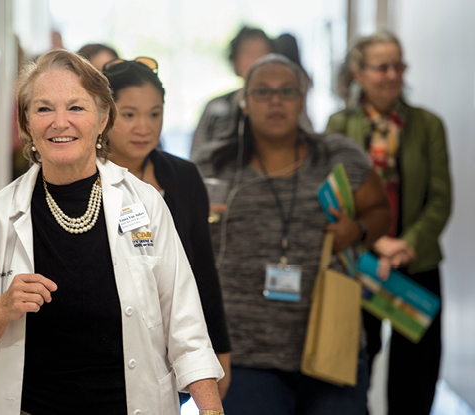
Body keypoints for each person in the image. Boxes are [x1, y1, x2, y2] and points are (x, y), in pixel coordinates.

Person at [0, 50, 225, 415]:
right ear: (26, 123)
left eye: (76, 108)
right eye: (43, 109)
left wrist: (210, 409)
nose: (60, 122)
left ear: (103, 118)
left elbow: (186, 325)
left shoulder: (145, 204)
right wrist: (1, 308)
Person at [197, 53, 392, 414]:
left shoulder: (339, 156)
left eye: (287, 91)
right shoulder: (212, 165)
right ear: (244, 101)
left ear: (303, 98)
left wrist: (359, 231)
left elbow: (380, 211)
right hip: (241, 350)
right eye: (263, 92)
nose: (275, 101)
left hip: (329, 340)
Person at [326, 31, 452, 415]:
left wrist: (405, 244)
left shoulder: (427, 125)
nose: (392, 74)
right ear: (358, 73)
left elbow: (441, 197)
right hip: (358, 261)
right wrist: (375, 242)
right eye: (382, 67)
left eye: (398, 65)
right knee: (352, 366)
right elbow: (333, 196)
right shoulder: (338, 125)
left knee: (416, 373)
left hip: (415, 262)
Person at [101, 57, 232, 400]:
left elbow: (203, 270)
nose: (144, 127)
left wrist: (218, 350)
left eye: (154, 114)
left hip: (173, 350)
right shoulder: (84, 179)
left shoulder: (183, 177)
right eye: (129, 115)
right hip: (107, 351)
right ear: (104, 114)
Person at [190, 28, 313, 162]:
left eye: (262, 52)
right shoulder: (214, 107)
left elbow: (311, 146)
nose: (255, 59)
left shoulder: (288, 103)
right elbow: (197, 157)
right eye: (247, 53)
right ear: (234, 60)